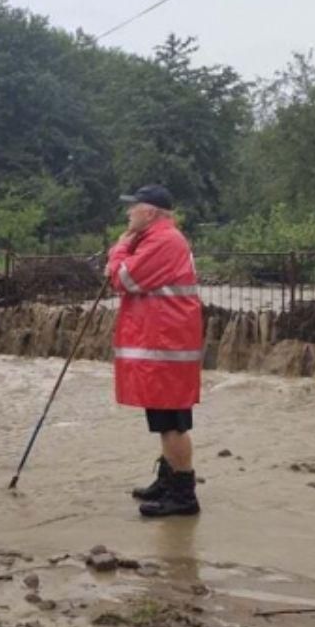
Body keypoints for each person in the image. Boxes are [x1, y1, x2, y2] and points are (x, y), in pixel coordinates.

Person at [105, 184, 202, 517]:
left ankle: (184, 495)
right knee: (164, 419)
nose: (128, 213)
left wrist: (118, 249)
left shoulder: (163, 240)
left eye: (133, 207)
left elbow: (125, 280)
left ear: (150, 212)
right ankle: (168, 479)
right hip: (163, 347)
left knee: (172, 422)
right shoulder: (155, 239)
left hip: (167, 348)